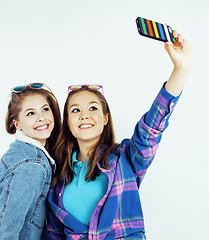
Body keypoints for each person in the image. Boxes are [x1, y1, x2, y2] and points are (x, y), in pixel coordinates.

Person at [47, 31, 193, 239]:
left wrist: (181, 69)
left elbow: (151, 128)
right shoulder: (59, 173)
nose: (84, 115)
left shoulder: (125, 158)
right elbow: (54, 233)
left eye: (93, 108)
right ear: (68, 123)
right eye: (75, 110)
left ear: (106, 118)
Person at [0, 83, 61, 240]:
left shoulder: (21, 151)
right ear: (17, 123)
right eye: (30, 113)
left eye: (45, 109)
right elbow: (6, 229)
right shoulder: (32, 165)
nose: (41, 118)